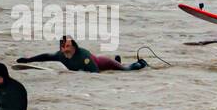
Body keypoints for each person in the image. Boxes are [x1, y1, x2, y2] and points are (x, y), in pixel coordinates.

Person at [18, 35, 147, 72]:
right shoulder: (60, 55)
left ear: (74, 47)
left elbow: (95, 72)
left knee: (127, 69)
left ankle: (141, 63)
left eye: (67, 45)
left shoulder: (83, 56)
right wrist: (28, 60)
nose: (64, 48)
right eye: (62, 46)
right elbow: (46, 56)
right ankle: (118, 61)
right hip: (95, 64)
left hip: (104, 63)